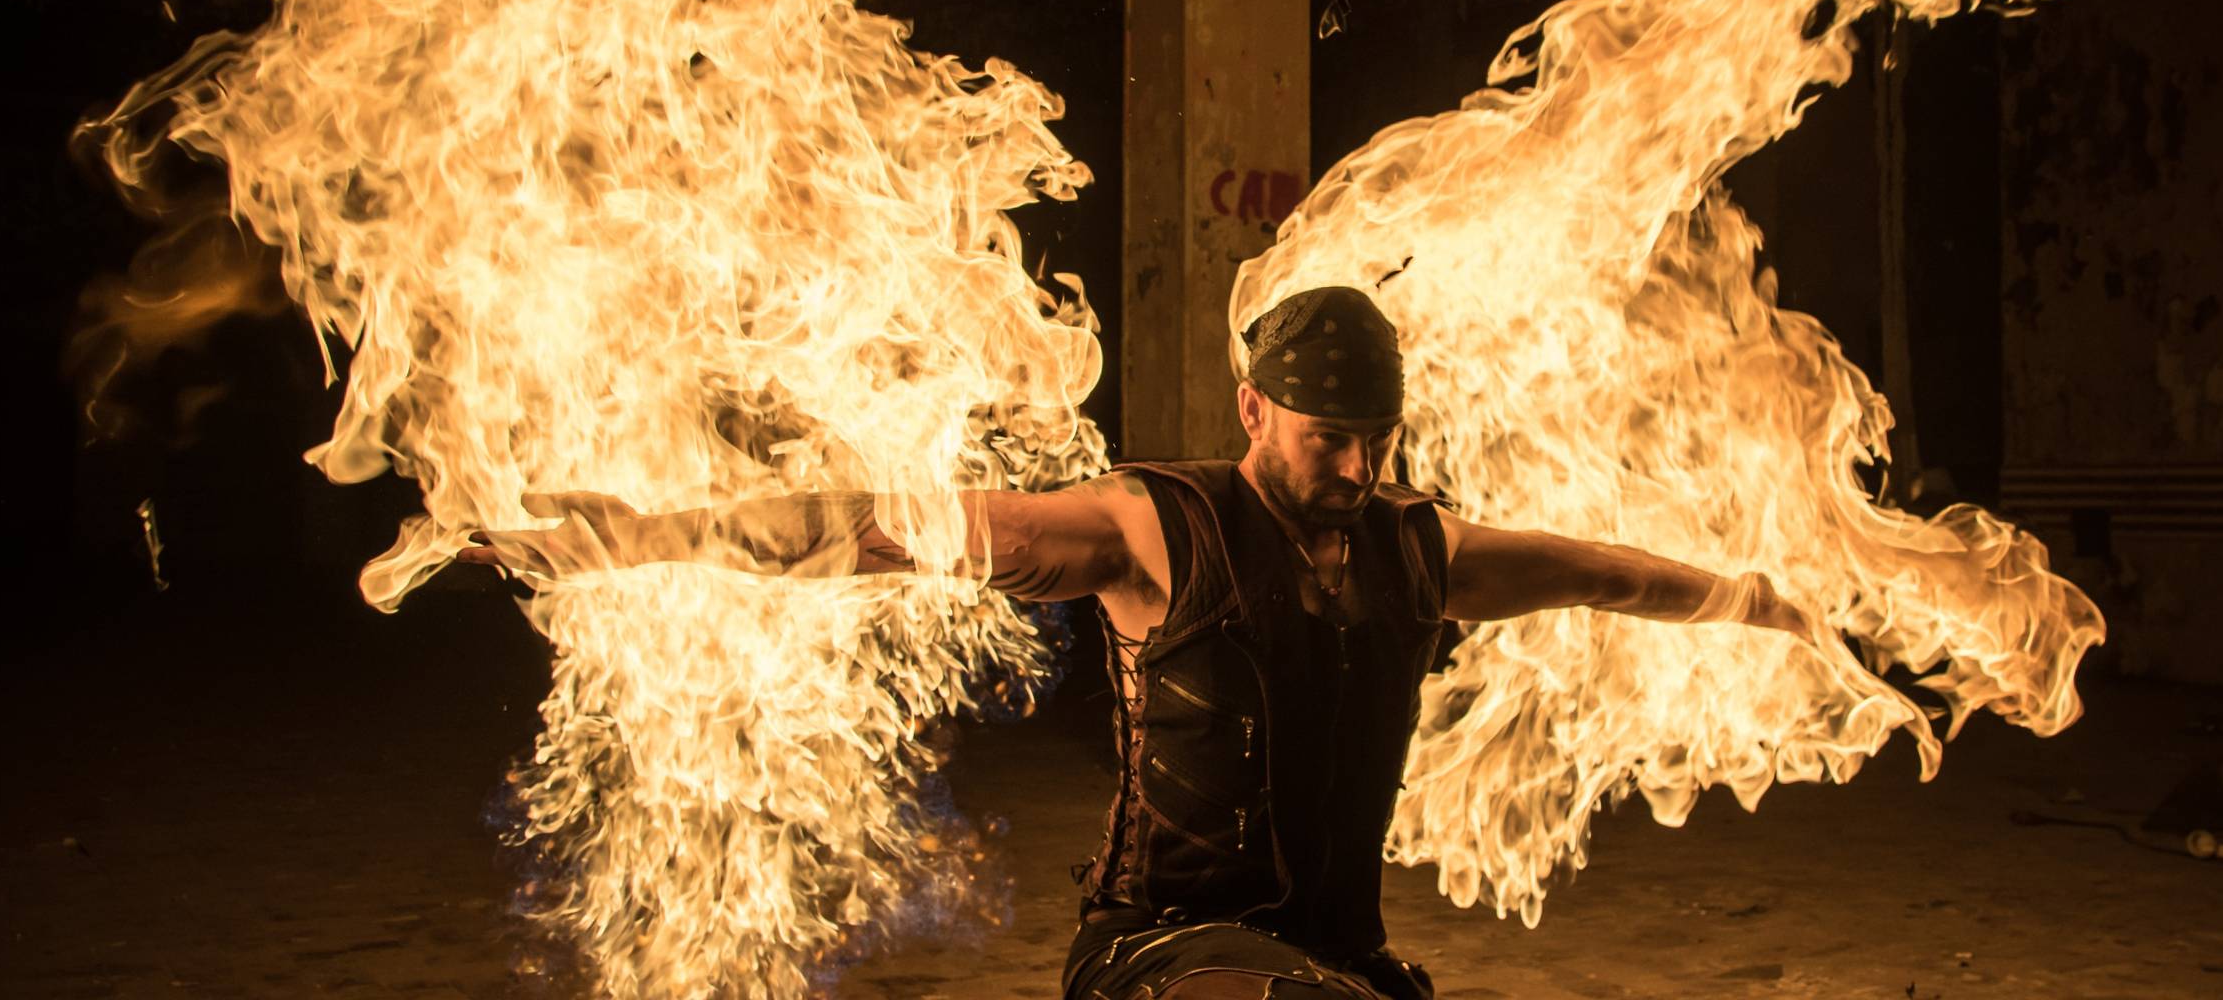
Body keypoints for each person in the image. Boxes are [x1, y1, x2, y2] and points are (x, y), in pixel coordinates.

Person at [462, 286, 1816, 1000]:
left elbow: (1607, 577)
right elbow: (883, 528)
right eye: (1322, 435)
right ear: (1252, 408)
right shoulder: (1156, 533)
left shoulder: (1419, 550)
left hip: (1335, 962)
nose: (1350, 462)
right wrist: (643, 534)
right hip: (1164, 956)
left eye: (1372, 440)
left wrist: (1759, 598)